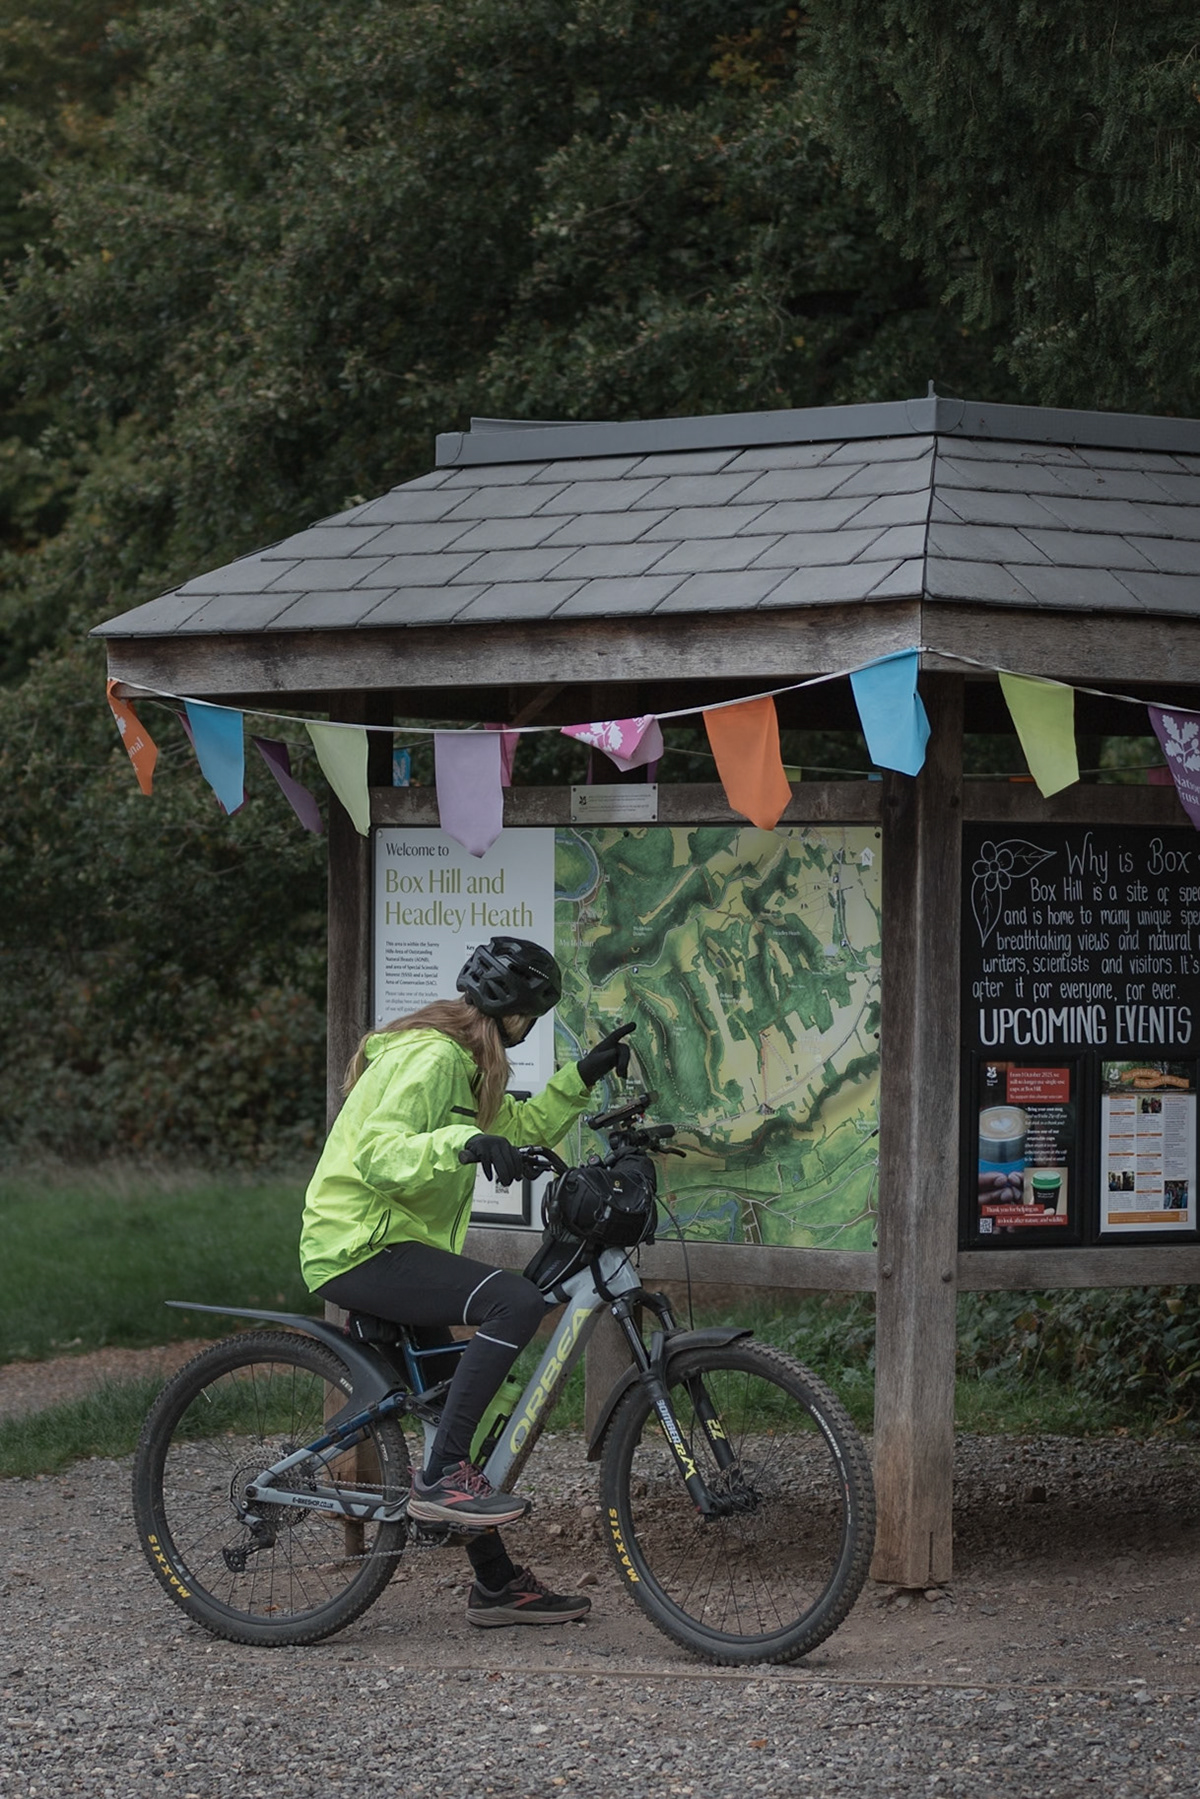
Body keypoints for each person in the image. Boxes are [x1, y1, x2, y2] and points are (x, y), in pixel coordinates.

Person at [299, 936, 635, 1628]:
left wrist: (583, 1075)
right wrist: (462, 1144)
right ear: (516, 1015)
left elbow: (516, 1125)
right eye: (534, 1018)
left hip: (390, 1243)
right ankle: (443, 1477)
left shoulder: (468, 1063)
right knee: (513, 1300)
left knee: (459, 1401)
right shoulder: (432, 1058)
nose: (531, 1029)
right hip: (358, 1244)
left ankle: (494, 1582)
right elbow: (379, 1154)